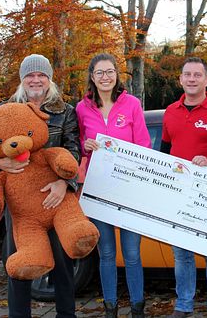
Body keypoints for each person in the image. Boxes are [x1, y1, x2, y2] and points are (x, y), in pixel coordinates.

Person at [0, 54, 81, 318]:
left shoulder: (65, 112)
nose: (36, 80)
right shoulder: (4, 108)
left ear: (49, 79)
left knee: (63, 262)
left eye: (41, 75)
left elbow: (73, 150)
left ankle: (66, 314)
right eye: (30, 75)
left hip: (54, 197)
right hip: (20, 202)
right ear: (22, 79)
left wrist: (65, 183)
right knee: (20, 261)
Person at [160, 57, 207, 318]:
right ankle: (183, 305)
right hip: (178, 193)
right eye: (187, 74)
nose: (191, 79)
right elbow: (165, 150)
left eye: (197, 75)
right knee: (181, 255)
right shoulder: (171, 111)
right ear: (180, 79)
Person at [76, 53, 150, 318]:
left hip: (129, 190)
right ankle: (110, 308)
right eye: (99, 73)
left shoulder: (131, 104)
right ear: (92, 77)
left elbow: (144, 145)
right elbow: (80, 144)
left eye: (110, 72)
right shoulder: (82, 108)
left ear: (117, 75)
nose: (105, 77)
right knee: (106, 253)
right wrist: (85, 147)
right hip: (99, 189)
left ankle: (138, 308)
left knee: (131, 254)